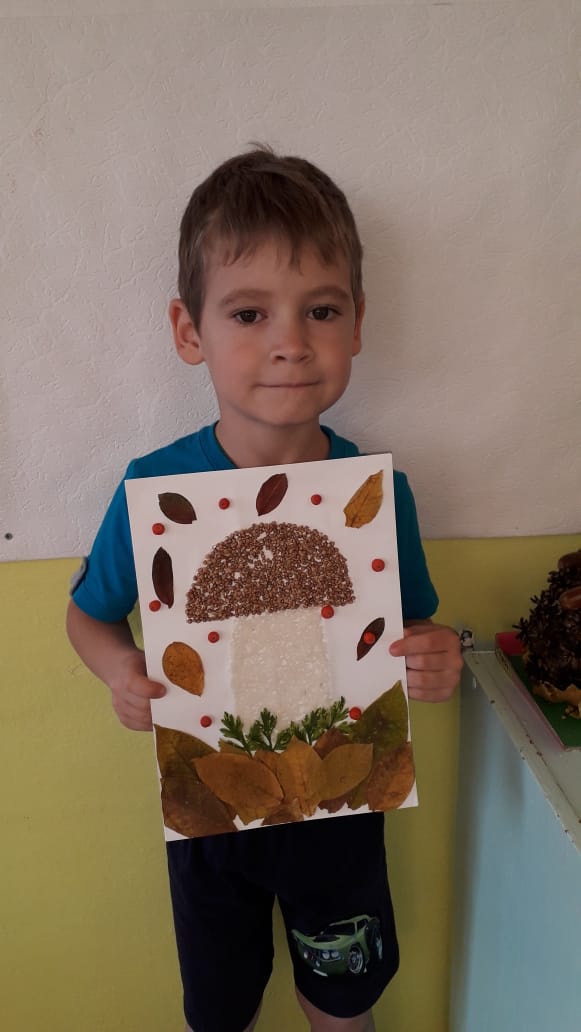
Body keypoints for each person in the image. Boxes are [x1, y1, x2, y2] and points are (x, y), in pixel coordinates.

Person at [66, 146, 462, 1032]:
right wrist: (120, 670)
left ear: (355, 322)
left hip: (341, 814)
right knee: (220, 1008)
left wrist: (435, 656)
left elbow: (410, 627)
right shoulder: (152, 493)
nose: (290, 341)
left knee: (342, 1002)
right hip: (210, 816)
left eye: (320, 309)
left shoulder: (376, 497)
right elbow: (88, 616)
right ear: (188, 331)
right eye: (249, 313)